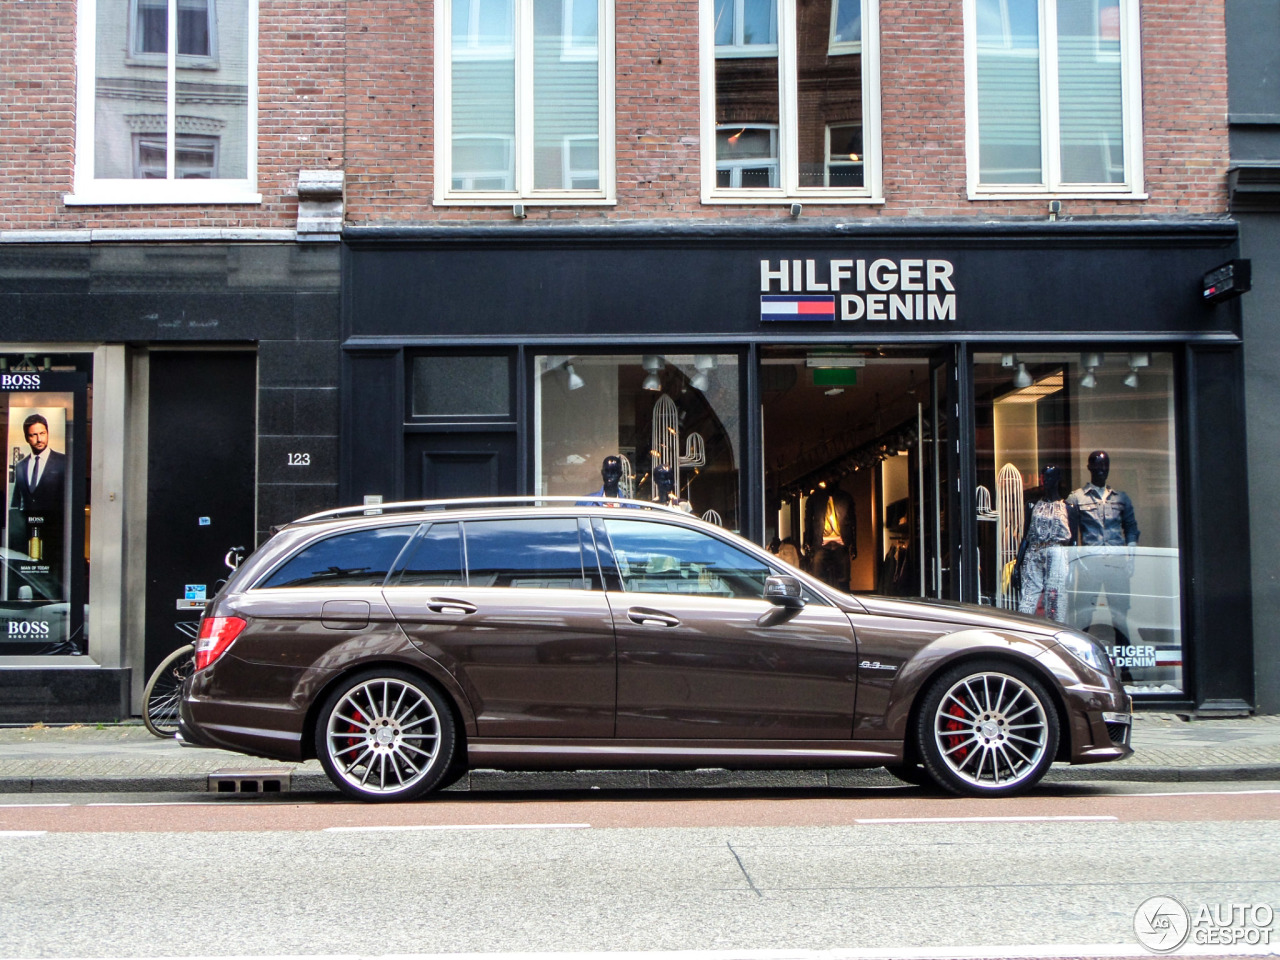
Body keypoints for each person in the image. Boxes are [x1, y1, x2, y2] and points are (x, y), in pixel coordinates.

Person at [1066, 450, 1140, 642]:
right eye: (1097, 466)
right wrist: (1074, 564)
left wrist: (1131, 559)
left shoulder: (1121, 498)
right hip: (1089, 565)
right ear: (1089, 467)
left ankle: (1126, 667)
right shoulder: (1077, 498)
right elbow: (1070, 535)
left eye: (1105, 466)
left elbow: (1131, 529)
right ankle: (1077, 656)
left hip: (1117, 566)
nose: (1101, 471)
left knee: (1120, 614)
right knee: (1084, 613)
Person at [1014, 464, 1078, 623]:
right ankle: (1024, 630)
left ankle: (1055, 631)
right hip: (1033, 551)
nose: (1045, 482)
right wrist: (1017, 564)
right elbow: (1026, 537)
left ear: (1057, 480)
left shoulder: (1068, 508)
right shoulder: (1031, 505)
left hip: (1057, 553)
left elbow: (1074, 541)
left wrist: (1073, 568)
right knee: (1028, 596)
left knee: (1055, 597)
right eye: (1043, 478)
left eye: (1049, 477)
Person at [9, 413, 67, 574]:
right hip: (26, 534)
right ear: (27, 438)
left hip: (55, 533)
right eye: (34, 435)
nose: (39, 439)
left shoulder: (64, 462)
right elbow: (17, 500)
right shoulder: (20, 466)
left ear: (48, 433)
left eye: (42, 433)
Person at [806, 488, 856, 591]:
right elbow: (808, 522)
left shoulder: (845, 497)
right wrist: (808, 541)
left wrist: (854, 544)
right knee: (818, 580)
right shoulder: (815, 498)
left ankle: (844, 602)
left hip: (840, 542)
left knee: (843, 581)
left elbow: (853, 523)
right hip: (822, 543)